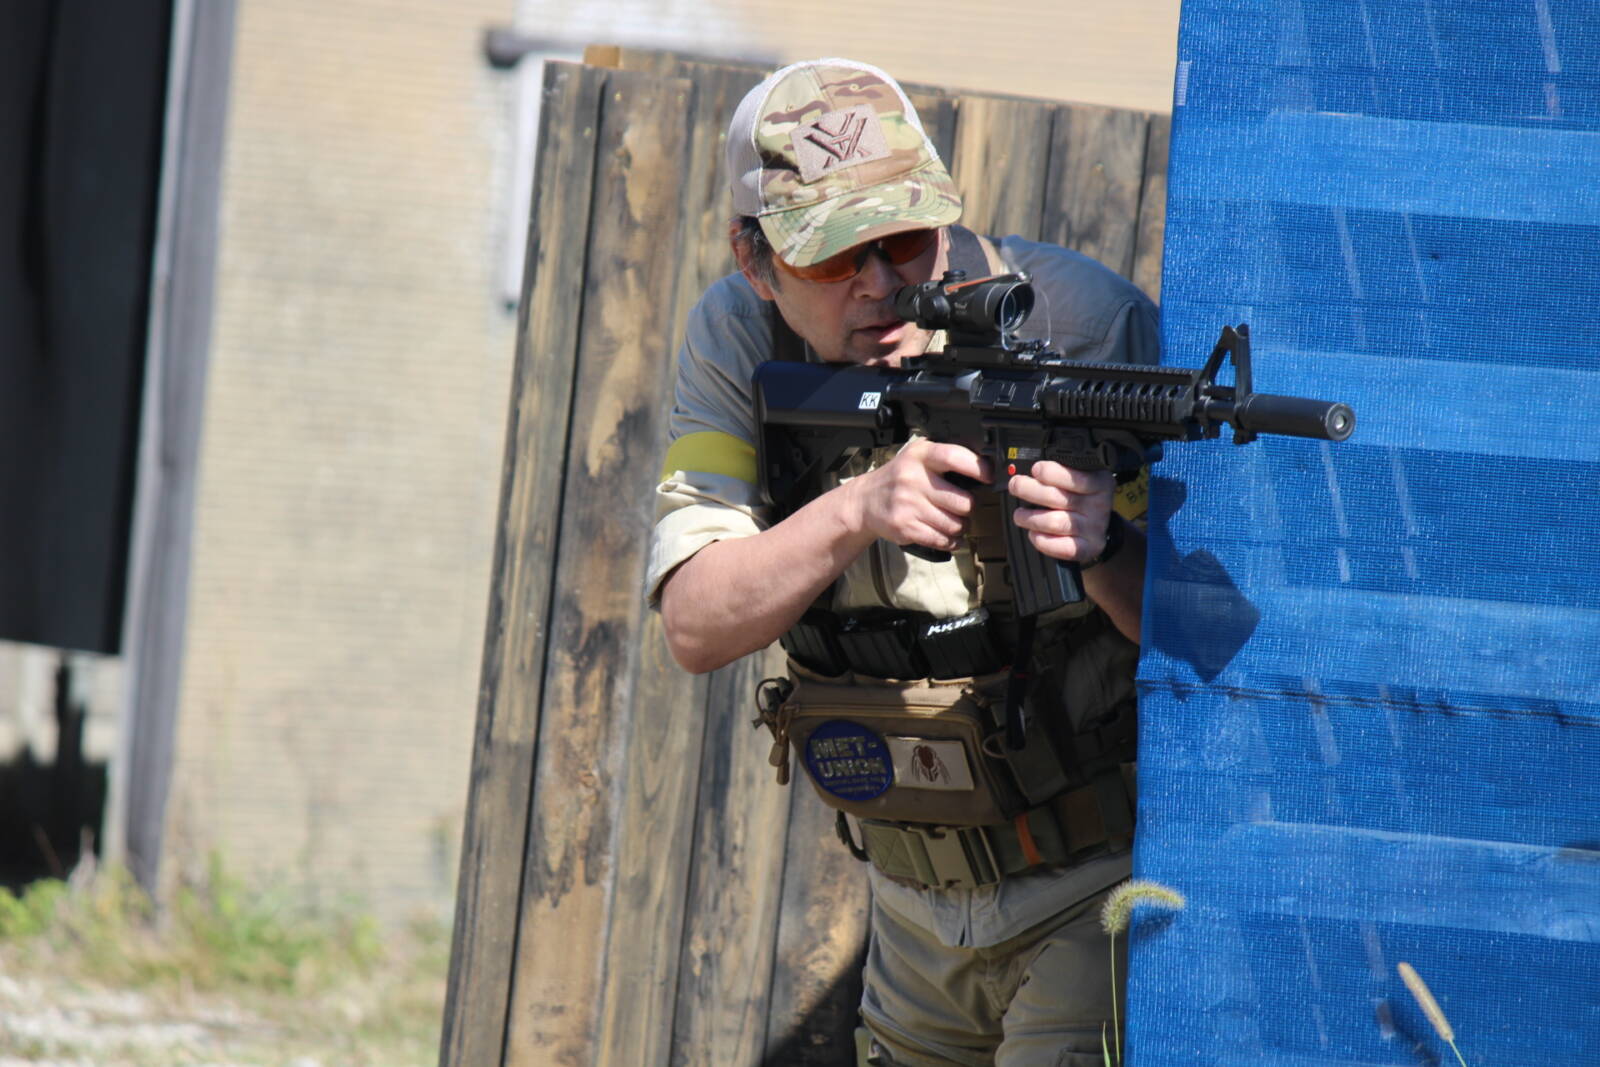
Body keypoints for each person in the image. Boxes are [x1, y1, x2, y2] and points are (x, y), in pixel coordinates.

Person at [646, 57, 1160, 1066]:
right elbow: (695, 624)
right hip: (912, 912)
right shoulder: (738, 339)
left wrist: (1102, 546)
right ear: (754, 260)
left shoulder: (1082, 326)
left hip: (1091, 891)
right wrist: (859, 508)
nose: (881, 283)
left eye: (904, 239)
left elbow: (1216, 645)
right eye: (835, 256)